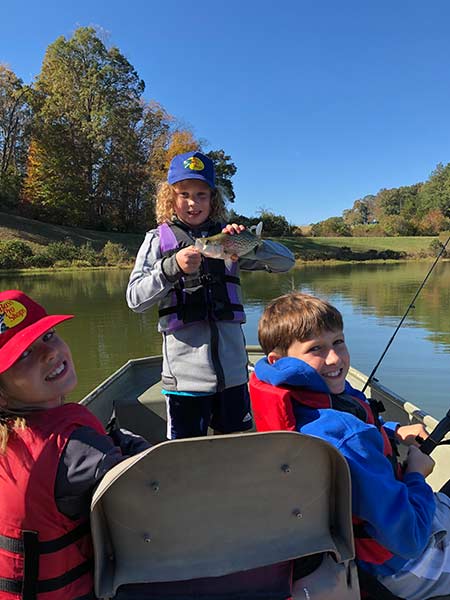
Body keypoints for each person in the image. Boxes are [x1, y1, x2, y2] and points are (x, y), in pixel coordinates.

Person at [249, 291, 450, 600]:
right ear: (279, 359)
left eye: (338, 342)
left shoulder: (298, 400)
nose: (334, 359)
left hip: (348, 548)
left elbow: (348, 413)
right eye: (316, 348)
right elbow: (409, 538)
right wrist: (417, 474)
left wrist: (394, 430)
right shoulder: (349, 438)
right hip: (400, 563)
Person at [126, 150, 295, 439]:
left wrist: (250, 243)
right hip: (185, 383)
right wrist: (170, 268)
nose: (193, 203)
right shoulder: (156, 240)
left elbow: (286, 262)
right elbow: (134, 299)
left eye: (202, 195)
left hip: (234, 378)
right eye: (184, 194)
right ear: (171, 197)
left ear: (213, 199)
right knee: (186, 460)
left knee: (235, 456)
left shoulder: (229, 239)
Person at [0, 289, 150, 600]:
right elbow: (154, 497)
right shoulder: (74, 447)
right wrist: (136, 450)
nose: (49, 352)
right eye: (24, 354)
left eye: (49, 335)